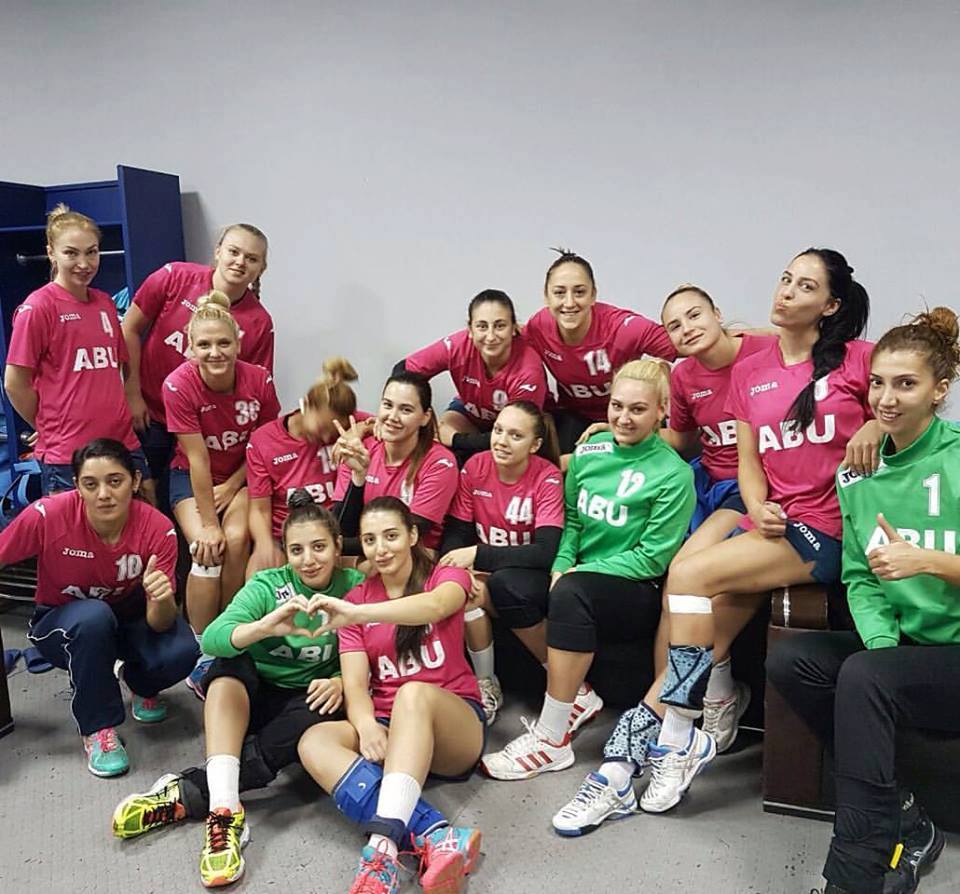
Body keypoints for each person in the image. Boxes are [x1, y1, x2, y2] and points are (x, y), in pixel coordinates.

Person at [559, 248, 874, 832]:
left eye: (805, 286)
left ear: (830, 305)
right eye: (785, 278)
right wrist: (755, 505)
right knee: (694, 628)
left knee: (688, 575)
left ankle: (678, 737)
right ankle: (625, 764)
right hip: (770, 522)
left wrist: (876, 423)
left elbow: (909, 402)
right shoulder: (753, 373)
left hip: (828, 527)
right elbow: (749, 462)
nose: (786, 290)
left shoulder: (858, 359)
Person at [768, 308, 959, 894]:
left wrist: (929, 562)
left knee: (867, 678)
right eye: (878, 383)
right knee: (792, 661)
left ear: (939, 390)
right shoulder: (857, 474)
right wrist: (881, 646)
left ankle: (857, 875)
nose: (887, 398)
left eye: (906, 384)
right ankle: (905, 816)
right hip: (908, 650)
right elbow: (862, 578)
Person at [112, 490, 364, 889]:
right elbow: (213, 638)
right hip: (253, 695)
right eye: (297, 550)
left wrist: (340, 681)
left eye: (319, 547)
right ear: (285, 553)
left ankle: (203, 799)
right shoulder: (268, 584)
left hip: (306, 701)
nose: (308, 559)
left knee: (321, 708)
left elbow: (377, 652)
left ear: (337, 546)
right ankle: (224, 804)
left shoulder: (357, 587)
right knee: (228, 666)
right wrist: (263, 627)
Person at [481, 360, 695, 783]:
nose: (623, 418)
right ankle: (578, 695)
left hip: (635, 587)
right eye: (617, 406)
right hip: (578, 574)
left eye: (638, 409)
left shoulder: (675, 474)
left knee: (571, 591)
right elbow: (574, 522)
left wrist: (579, 570)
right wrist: (562, 564)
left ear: (661, 411)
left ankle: (551, 740)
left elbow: (652, 558)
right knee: (506, 584)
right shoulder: (589, 451)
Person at [296, 497, 484, 894]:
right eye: (369, 540)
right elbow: (355, 684)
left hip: (453, 724)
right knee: (314, 741)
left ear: (412, 535)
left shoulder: (446, 576)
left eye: (391, 536)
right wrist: (365, 725)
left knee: (412, 695)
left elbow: (436, 606)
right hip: (390, 725)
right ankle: (435, 833)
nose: (380, 549)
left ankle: (381, 851)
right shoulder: (356, 599)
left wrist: (362, 614)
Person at [0, 439, 197, 776]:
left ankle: (140, 683)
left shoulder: (158, 528)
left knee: (182, 650)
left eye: (115, 481)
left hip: (129, 614)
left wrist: (163, 598)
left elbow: (160, 624)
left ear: (134, 481)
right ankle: (98, 729)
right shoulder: (47, 516)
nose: (104, 494)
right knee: (93, 617)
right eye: (91, 484)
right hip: (62, 622)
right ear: (77, 486)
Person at [163, 290, 281, 696]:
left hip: (243, 475)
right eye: (204, 345)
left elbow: (266, 445)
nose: (215, 352)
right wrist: (209, 523)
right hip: (192, 476)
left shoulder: (259, 380)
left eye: (223, 343)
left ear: (238, 344)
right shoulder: (178, 385)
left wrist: (232, 485)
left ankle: (230, 636)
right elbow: (197, 459)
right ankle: (203, 649)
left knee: (235, 539)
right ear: (191, 347)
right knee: (206, 546)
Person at [4, 204, 149, 496]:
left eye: (91, 252)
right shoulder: (39, 307)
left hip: (121, 442)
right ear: (51, 253)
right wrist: (47, 423)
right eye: (71, 253)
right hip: (68, 453)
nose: (84, 263)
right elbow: (14, 383)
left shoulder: (105, 302)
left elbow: (121, 365)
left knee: (144, 514)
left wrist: (132, 398)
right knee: (77, 525)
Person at [121, 223, 274, 499]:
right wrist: (132, 394)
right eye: (234, 252)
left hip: (205, 428)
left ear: (261, 268)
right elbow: (128, 329)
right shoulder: (174, 277)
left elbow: (252, 390)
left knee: (186, 499)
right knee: (144, 492)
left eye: (251, 258)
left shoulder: (259, 322)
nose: (240, 262)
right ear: (218, 251)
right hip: (150, 413)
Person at [439, 400, 564, 724]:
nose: (501, 441)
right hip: (489, 572)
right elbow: (457, 531)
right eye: (497, 431)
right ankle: (485, 684)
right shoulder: (476, 466)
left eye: (515, 435)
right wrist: (453, 565)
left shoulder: (547, 476)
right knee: (465, 590)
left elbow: (545, 552)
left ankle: (568, 685)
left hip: (530, 576)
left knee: (498, 584)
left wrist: (478, 554)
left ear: (535, 444)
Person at [523, 248, 676, 454]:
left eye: (579, 292)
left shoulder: (624, 328)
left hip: (631, 418)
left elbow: (690, 343)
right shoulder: (538, 327)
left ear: (593, 295)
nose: (569, 303)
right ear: (546, 297)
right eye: (559, 293)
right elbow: (507, 345)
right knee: (561, 464)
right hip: (575, 417)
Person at [396, 289, 547, 464]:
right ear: (470, 329)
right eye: (482, 326)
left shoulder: (529, 371)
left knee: (499, 456)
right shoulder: (456, 346)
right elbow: (403, 370)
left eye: (500, 326)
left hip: (515, 429)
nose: (490, 336)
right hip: (471, 412)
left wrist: (456, 439)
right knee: (436, 448)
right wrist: (410, 416)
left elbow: (512, 435)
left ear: (514, 328)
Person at [246, 357, 362, 577]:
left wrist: (361, 430)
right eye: (321, 428)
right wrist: (264, 544)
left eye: (333, 431)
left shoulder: (347, 425)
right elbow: (259, 508)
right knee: (260, 575)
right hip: (289, 536)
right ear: (306, 405)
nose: (327, 438)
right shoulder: (264, 440)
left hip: (337, 534)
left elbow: (379, 423)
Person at [332, 372, 458, 552]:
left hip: (415, 556)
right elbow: (342, 529)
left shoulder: (440, 463)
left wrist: (332, 546)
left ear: (425, 417)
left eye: (406, 410)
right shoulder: (359, 450)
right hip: (364, 552)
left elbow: (408, 536)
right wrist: (358, 478)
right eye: (387, 405)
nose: (392, 416)